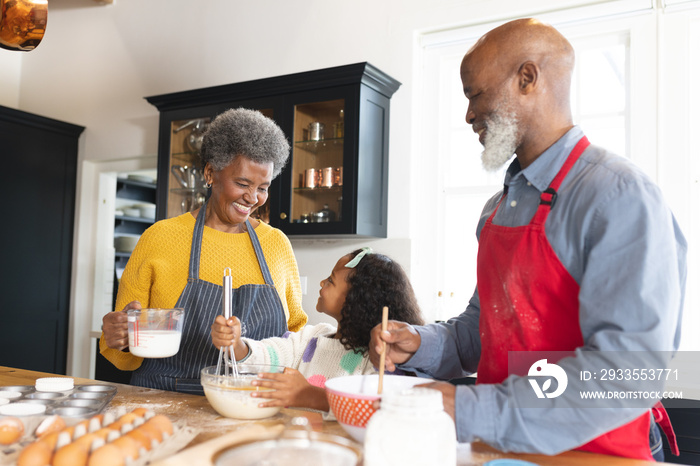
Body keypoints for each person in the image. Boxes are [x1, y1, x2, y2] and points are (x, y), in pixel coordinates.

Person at [369, 18, 687, 461]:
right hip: (500, 451)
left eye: (474, 94)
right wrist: (420, 343)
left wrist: (464, 408)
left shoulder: (616, 195)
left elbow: (624, 373)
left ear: (527, 78)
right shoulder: (497, 209)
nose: (468, 115)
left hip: (595, 455)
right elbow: (481, 332)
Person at [100, 108, 308, 394]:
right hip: (165, 402)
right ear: (210, 173)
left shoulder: (277, 244)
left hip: (251, 403)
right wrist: (119, 336)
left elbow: (294, 340)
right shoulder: (160, 238)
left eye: (263, 187)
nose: (253, 198)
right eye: (243, 183)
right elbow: (124, 355)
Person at [210, 247, 425, 413]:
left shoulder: (377, 358)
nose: (322, 282)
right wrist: (236, 344)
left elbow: (373, 409)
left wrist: (309, 395)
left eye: (331, 280)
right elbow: (271, 355)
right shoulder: (312, 338)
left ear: (356, 302)